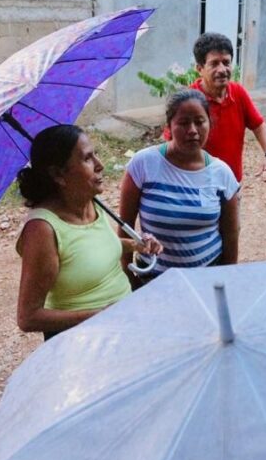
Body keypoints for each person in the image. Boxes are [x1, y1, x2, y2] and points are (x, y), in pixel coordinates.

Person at [15, 125, 162, 340]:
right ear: (58, 175)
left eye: (96, 155)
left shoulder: (92, 202)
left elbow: (91, 249)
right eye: (87, 159)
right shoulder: (42, 230)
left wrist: (135, 244)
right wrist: (98, 315)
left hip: (123, 325)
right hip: (83, 342)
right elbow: (28, 317)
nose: (100, 165)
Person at [121, 90, 241, 278]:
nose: (193, 130)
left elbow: (231, 235)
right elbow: (125, 226)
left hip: (206, 276)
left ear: (209, 123)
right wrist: (128, 277)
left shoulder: (221, 173)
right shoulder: (143, 163)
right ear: (169, 126)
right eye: (183, 123)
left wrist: (226, 277)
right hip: (154, 279)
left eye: (200, 122)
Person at [167, 32, 266, 184]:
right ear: (199, 68)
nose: (222, 69)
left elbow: (260, 127)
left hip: (232, 185)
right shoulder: (188, 101)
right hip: (197, 187)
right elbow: (170, 144)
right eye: (214, 64)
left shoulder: (238, 93)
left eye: (226, 62)